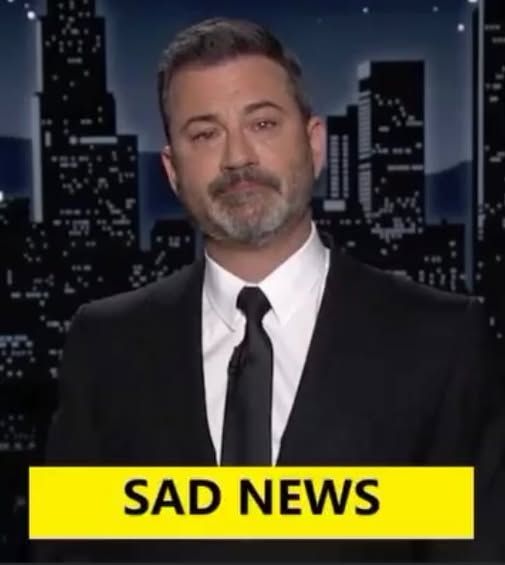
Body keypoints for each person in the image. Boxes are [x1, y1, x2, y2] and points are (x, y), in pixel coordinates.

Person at [34, 17, 505, 562]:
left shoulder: (442, 339)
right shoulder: (104, 345)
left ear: (314, 143)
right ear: (173, 170)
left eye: (262, 124)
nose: (238, 158)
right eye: (205, 134)